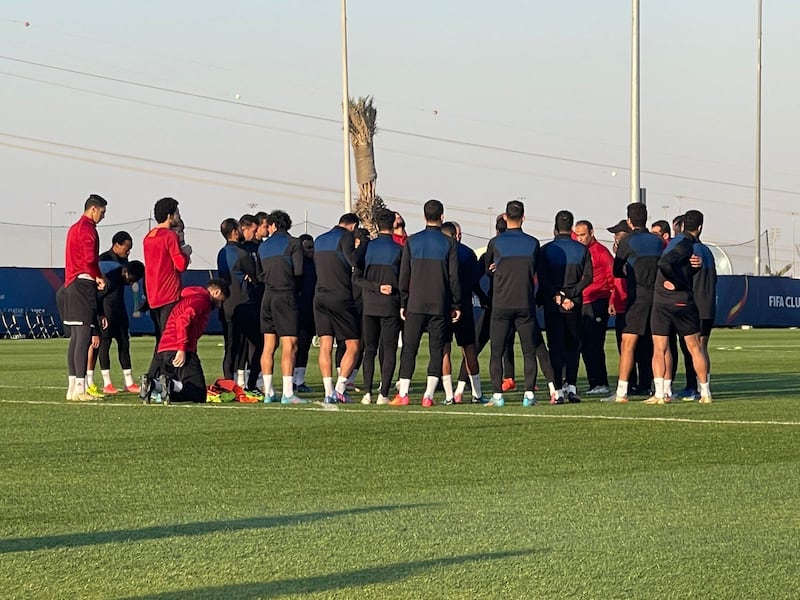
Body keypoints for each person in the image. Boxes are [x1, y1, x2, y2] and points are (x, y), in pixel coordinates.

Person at [484, 199, 556, 407]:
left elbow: (487, 271)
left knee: (496, 351)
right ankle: (529, 396)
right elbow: (539, 274)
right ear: (524, 218)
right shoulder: (533, 243)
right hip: (525, 304)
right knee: (529, 351)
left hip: (501, 304)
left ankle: (497, 396)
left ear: (505, 218)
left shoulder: (496, 243)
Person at [392, 199, 461, 407]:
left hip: (415, 303)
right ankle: (428, 395)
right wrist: (456, 304)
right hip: (439, 303)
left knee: (409, 348)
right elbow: (453, 277)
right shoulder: (449, 243)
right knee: (436, 349)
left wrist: (403, 300)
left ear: (424, 217)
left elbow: (404, 275)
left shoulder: (411, 242)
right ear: (442, 217)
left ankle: (403, 393)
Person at [645, 210, 712, 404]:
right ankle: (705, 392)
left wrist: (675, 281)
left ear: (682, 226)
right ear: (700, 227)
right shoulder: (692, 246)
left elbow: (664, 263)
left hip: (664, 301)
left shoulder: (679, 243)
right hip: (684, 301)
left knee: (660, 348)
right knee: (695, 347)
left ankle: (660, 393)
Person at [605, 203, 664, 403]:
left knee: (628, 344)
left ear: (629, 221)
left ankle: (622, 392)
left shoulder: (627, 242)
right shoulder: (657, 242)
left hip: (637, 298)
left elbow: (616, 270)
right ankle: (661, 390)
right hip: (657, 297)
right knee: (658, 344)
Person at [139, 279, 229, 403]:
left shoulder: (189, 297)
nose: (219, 306)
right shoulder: (202, 300)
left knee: (179, 385)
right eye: (221, 301)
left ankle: (154, 384)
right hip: (179, 348)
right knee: (198, 393)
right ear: (217, 292)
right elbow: (183, 320)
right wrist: (181, 348)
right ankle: (168, 385)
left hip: (165, 348)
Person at [538, 210, 593, 403]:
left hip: (554, 304)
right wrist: (570, 295)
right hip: (574, 304)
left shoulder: (545, 250)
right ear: (571, 228)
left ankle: (558, 391)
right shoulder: (582, 250)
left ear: (555, 228)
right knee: (572, 347)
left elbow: (543, 279)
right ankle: (572, 387)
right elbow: (588, 278)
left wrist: (559, 296)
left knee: (555, 347)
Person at [353, 208, 403, 404]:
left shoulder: (367, 248)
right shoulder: (399, 250)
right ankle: (383, 393)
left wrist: (374, 287)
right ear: (393, 225)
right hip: (390, 305)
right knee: (389, 350)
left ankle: (367, 393)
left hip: (369, 306)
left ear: (375, 225)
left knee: (370, 350)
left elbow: (356, 278)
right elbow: (405, 280)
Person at [61, 194, 108, 402]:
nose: (103, 217)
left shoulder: (72, 229)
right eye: (102, 212)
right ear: (93, 210)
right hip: (83, 284)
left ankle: (72, 387)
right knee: (83, 337)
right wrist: (98, 276)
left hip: (70, 283)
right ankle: (80, 388)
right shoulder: (88, 229)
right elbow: (89, 259)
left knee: (75, 338)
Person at [257, 210, 307, 404]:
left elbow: (259, 274)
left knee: (268, 345)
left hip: (267, 297)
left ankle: (268, 392)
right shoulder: (294, 243)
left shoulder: (263, 247)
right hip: (285, 295)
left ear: (273, 226)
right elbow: (299, 272)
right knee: (290, 345)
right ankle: (288, 393)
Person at [313, 213, 362, 403]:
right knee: (353, 344)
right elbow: (354, 262)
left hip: (319, 296)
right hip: (339, 295)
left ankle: (328, 392)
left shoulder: (320, 239)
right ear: (353, 226)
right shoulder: (347, 236)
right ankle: (340, 388)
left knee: (325, 345)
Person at [440, 221, 485, 404]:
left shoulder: (439, 252)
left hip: (443, 305)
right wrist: (483, 299)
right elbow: (475, 281)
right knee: (469, 349)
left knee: (445, 350)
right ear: (455, 235)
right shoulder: (467, 253)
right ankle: (477, 393)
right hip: (464, 305)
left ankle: (450, 395)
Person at [94, 235, 144, 394]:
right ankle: (107, 383)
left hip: (119, 307)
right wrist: (100, 313)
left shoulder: (125, 264)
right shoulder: (103, 260)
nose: (128, 252)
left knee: (124, 343)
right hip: (106, 307)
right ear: (116, 244)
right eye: (126, 248)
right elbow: (99, 291)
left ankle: (129, 382)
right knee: (105, 343)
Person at [217, 218, 261, 392]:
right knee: (258, 344)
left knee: (230, 347)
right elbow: (256, 276)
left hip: (226, 306)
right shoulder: (243, 254)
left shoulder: (221, 253)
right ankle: (251, 384)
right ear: (235, 231)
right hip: (244, 304)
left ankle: (229, 385)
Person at [142, 197, 191, 349]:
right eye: (177, 213)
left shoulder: (148, 237)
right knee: (170, 338)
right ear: (169, 216)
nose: (178, 216)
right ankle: (166, 372)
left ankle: (156, 372)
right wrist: (186, 252)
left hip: (153, 294)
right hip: (169, 293)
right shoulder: (170, 236)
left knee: (160, 337)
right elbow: (181, 265)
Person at [574, 220, 614, 396]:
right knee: (583, 345)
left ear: (591, 232)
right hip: (581, 302)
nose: (580, 238)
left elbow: (612, 277)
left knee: (595, 344)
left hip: (597, 301)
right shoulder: (579, 252)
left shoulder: (601, 252)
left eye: (583, 234)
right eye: (578, 235)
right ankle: (593, 383)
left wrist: (612, 300)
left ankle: (601, 382)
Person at [294, 234, 317, 393]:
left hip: (312, 309)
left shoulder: (316, 264)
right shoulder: (297, 266)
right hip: (298, 310)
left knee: (306, 345)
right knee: (296, 345)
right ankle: (292, 379)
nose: (311, 251)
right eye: (308, 247)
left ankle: (300, 379)